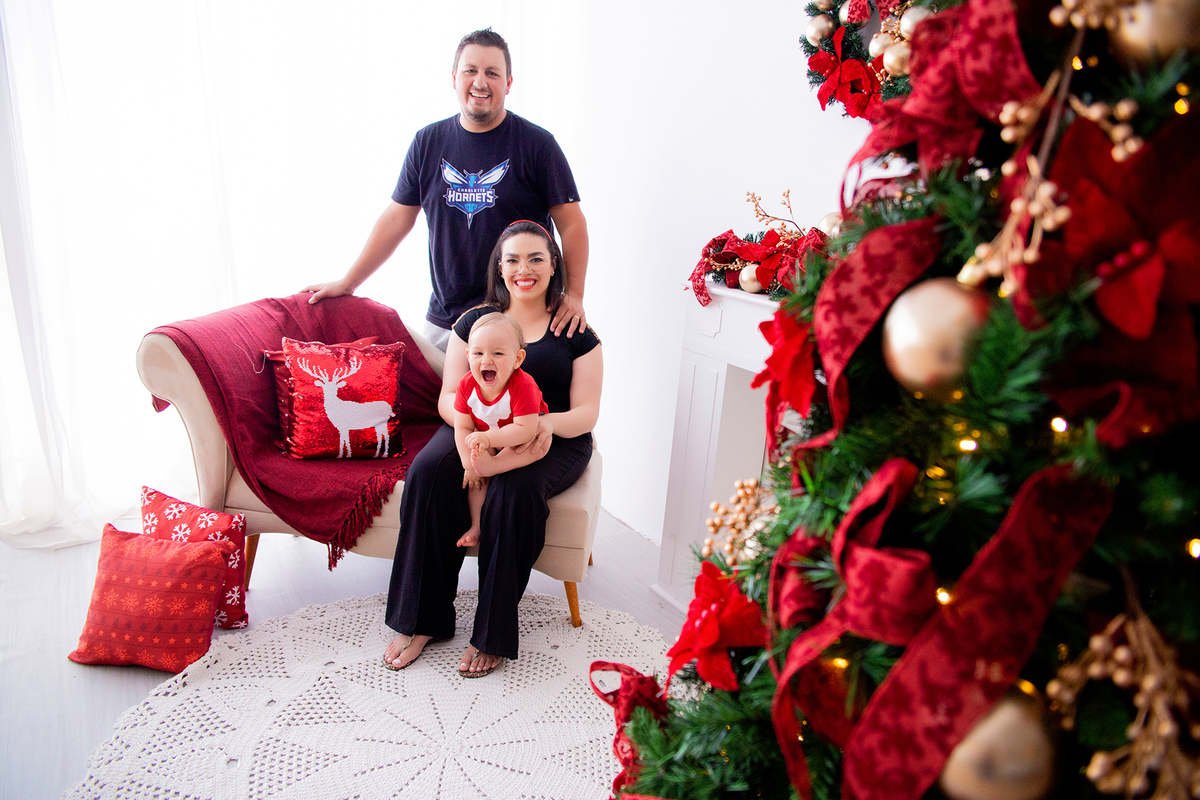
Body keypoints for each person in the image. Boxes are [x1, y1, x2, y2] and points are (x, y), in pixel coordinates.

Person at [382, 220, 602, 678]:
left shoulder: (576, 331)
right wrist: (467, 441)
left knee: (512, 491)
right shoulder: (474, 322)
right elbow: (449, 396)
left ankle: (492, 633)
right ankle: (422, 620)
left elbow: (586, 413)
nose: (525, 269)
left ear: (553, 264)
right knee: (427, 471)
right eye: (513, 260)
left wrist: (541, 424)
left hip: (551, 432)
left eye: (536, 258)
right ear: (499, 268)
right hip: (477, 422)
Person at [303, 28, 590, 347]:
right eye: (471, 70)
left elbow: (572, 223)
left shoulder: (538, 146)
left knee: (521, 399)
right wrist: (349, 282)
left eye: (492, 73)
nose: (480, 82)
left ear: (508, 83)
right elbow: (397, 219)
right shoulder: (427, 143)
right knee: (441, 398)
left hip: (520, 317)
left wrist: (573, 295)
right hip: (446, 322)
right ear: (454, 77)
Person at [453, 311, 548, 549]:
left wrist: (488, 442)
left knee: (538, 446)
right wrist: (469, 464)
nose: (486, 360)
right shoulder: (466, 384)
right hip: (487, 438)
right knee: (477, 474)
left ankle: (494, 466)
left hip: (519, 436)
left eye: (497, 353)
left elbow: (525, 429)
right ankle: (477, 526)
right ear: (468, 355)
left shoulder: (523, 385)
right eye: (478, 353)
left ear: (517, 359)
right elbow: (462, 426)